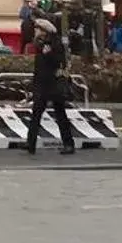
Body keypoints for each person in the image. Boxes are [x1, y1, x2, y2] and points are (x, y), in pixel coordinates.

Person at [23, 17, 76, 156]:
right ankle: (30, 143)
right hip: (41, 84)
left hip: (53, 84)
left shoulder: (54, 44)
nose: (36, 31)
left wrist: (50, 54)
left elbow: (60, 62)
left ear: (44, 31)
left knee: (60, 114)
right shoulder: (40, 44)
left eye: (38, 29)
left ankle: (69, 144)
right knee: (36, 113)